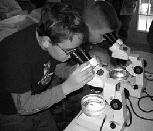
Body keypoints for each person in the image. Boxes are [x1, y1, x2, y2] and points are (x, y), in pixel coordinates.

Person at [0, 2, 94, 131]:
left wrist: (74, 71)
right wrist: (67, 87)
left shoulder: (52, 34)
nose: (73, 55)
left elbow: (55, 66)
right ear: (46, 42)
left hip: (38, 97)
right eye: (69, 51)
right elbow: (24, 107)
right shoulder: (16, 55)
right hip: (13, 112)